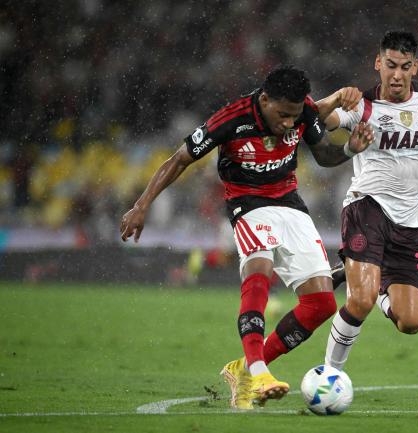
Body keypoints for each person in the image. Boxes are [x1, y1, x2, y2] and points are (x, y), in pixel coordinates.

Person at [120, 65, 373, 409]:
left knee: (323, 304)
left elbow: (324, 154)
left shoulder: (302, 112)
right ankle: (258, 372)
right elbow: (180, 160)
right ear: (265, 99)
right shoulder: (231, 119)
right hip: (247, 203)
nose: (288, 123)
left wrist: (348, 150)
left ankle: (243, 370)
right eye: (283, 115)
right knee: (259, 270)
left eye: (294, 116)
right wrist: (141, 205)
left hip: (290, 203)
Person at [316, 31, 418, 371]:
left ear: (415, 67)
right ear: (377, 63)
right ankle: (330, 375)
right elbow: (316, 122)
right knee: (360, 301)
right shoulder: (362, 104)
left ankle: (364, 271)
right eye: (389, 66)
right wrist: (335, 98)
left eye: (404, 67)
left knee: (411, 321)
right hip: (367, 207)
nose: (396, 75)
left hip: (412, 222)